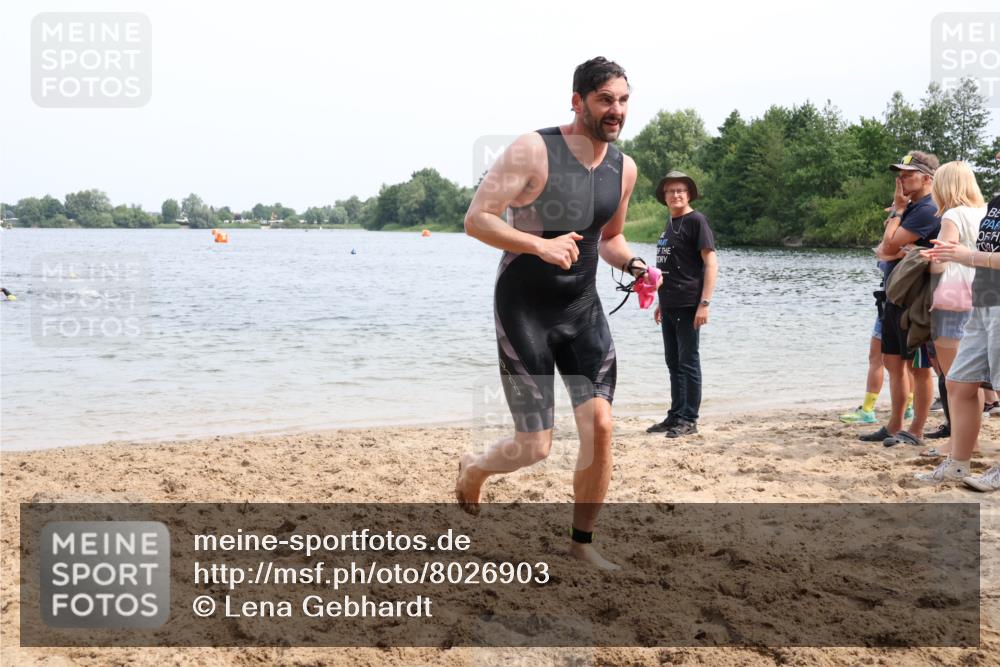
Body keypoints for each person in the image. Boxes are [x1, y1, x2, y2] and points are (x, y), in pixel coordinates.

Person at [455, 57, 652, 569]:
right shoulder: (533, 149)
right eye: (606, 99)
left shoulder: (623, 168)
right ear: (577, 100)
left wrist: (633, 264)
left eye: (624, 100)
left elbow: (609, 239)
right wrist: (537, 246)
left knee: (601, 427)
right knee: (535, 446)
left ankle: (581, 544)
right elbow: (477, 220)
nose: (616, 110)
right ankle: (475, 468)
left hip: (582, 308)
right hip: (526, 307)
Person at [915, 164, 1000, 490]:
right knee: (959, 383)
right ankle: (958, 465)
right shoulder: (994, 204)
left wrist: (969, 256)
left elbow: (980, 256)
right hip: (981, 301)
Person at [860, 151, 940, 447]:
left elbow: (889, 243)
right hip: (894, 294)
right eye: (900, 174)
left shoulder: (926, 208)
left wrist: (895, 212)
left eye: (908, 174)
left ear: (927, 178)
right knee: (893, 362)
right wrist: (896, 219)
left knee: (919, 368)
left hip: (915, 298)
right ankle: (895, 424)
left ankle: (915, 430)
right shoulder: (911, 206)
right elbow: (886, 247)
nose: (901, 179)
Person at [645, 171, 717, 437]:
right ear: (664, 197)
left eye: (680, 191)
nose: (675, 195)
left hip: (689, 303)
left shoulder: (696, 221)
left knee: (688, 361)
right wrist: (661, 302)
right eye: (670, 191)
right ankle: (675, 415)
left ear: (689, 195)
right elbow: (670, 268)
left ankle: (689, 419)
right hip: (670, 303)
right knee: (672, 361)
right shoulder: (670, 223)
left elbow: (711, 263)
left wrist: (705, 303)